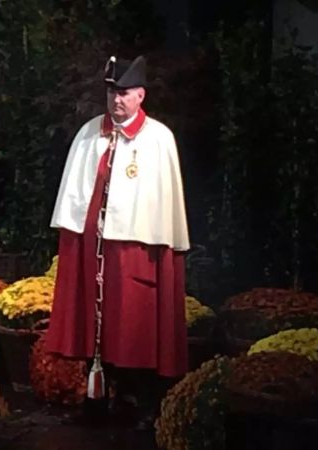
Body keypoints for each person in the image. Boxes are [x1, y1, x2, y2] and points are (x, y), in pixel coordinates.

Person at [45, 55, 190, 429]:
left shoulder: (159, 139)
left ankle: (138, 402)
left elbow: (165, 201)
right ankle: (97, 400)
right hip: (93, 248)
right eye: (111, 93)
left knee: (133, 323)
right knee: (95, 324)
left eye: (124, 93)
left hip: (135, 248)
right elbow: (76, 195)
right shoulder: (90, 132)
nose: (116, 101)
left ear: (141, 95)